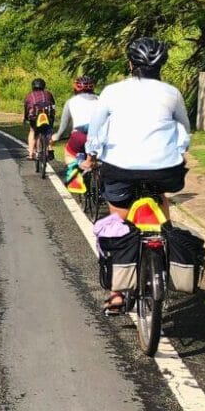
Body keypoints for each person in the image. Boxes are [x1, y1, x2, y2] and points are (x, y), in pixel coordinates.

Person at [84, 37, 191, 313]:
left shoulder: (111, 92)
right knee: (161, 198)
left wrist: (92, 156)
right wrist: (177, 151)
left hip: (120, 170)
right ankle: (164, 243)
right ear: (162, 65)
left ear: (130, 64)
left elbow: (95, 132)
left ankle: (117, 293)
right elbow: (184, 131)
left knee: (119, 220)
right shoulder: (172, 93)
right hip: (166, 172)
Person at [51, 75, 101, 163]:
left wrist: (58, 136)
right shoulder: (101, 100)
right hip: (99, 137)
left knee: (69, 154)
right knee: (99, 158)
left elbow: (64, 126)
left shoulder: (71, 102)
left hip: (79, 136)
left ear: (76, 88)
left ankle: (75, 173)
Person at [23, 78, 56, 160]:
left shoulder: (29, 95)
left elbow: (26, 108)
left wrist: (25, 117)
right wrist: (52, 115)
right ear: (43, 86)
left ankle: (31, 154)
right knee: (49, 130)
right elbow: (53, 105)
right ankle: (50, 147)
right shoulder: (48, 94)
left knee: (33, 131)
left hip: (34, 117)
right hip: (47, 116)